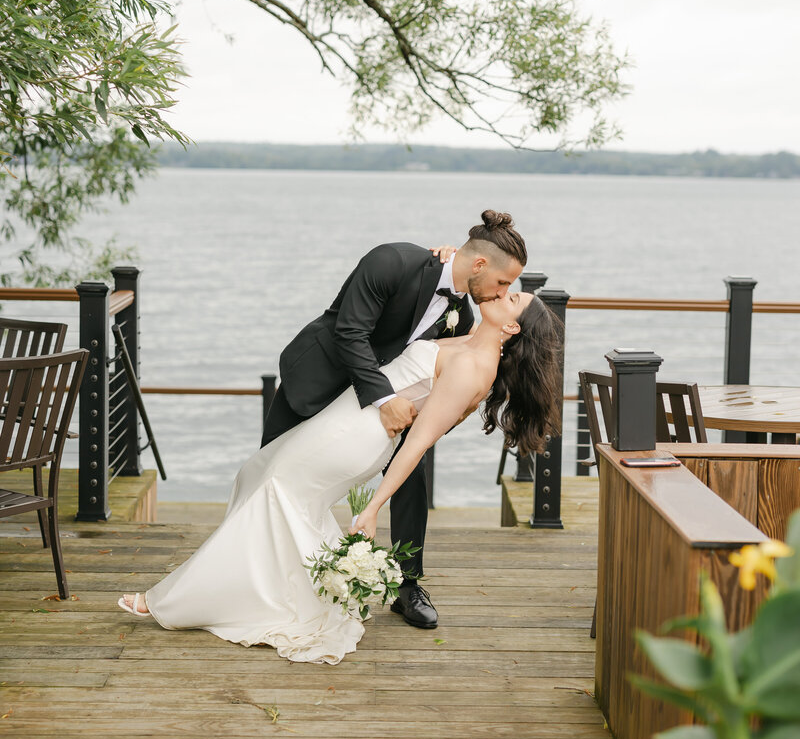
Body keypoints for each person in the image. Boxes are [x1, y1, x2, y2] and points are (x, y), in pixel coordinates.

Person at [118, 214, 562, 664]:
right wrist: (387, 394)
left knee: (289, 491)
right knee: (262, 477)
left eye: (512, 292)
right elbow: (351, 332)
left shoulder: (464, 317)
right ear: (480, 264)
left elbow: (452, 395)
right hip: (323, 382)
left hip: (369, 424)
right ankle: (268, 586)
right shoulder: (395, 262)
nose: (503, 291)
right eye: (505, 281)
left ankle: (403, 583)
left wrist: (389, 456)